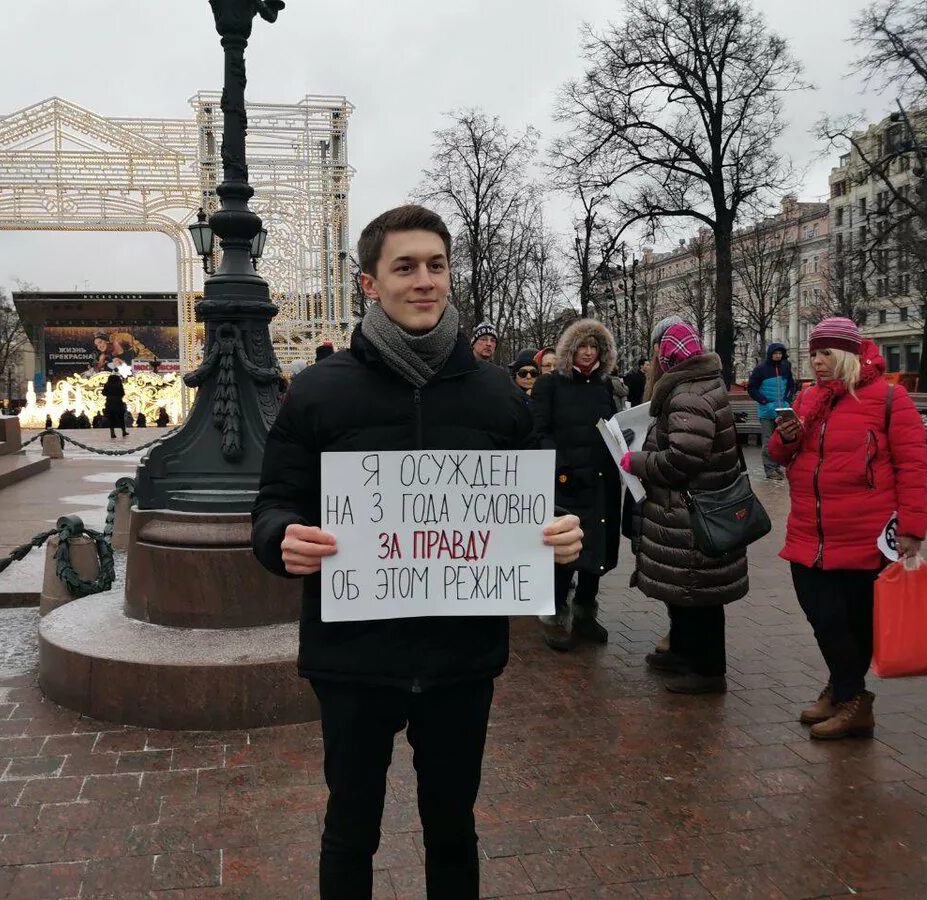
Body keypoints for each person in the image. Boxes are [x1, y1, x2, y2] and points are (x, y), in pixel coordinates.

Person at [251, 204, 583, 899]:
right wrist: (282, 537)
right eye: (405, 267)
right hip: (354, 660)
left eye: (436, 265)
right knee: (351, 829)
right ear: (370, 283)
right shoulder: (317, 392)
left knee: (453, 828)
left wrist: (561, 541)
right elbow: (273, 503)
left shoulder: (499, 396)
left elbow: (532, 514)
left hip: (461, 659)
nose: (424, 280)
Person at [768, 318, 927, 740]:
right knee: (821, 613)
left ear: (847, 356)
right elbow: (778, 455)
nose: (817, 362)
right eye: (814, 353)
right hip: (808, 530)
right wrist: (787, 438)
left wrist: (912, 529)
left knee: (851, 620)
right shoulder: (807, 399)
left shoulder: (889, 399)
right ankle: (844, 690)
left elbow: (913, 467)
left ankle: (853, 700)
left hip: (864, 534)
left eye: (826, 354)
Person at [623, 319, 748, 694]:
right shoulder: (697, 385)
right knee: (686, 590)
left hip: (693, 512)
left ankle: (708, 671)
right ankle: (682, 652)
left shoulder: (688, 393)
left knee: (699, 595)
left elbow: (682, 461)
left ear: (668, 356)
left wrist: (636, 462)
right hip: (688, 511)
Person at [531, 320, 625, 651]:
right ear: (571, 349)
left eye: (595, 347)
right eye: (582, 346)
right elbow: (539, 431)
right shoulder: (551, 385)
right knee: (563, 552)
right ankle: (555, 615)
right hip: (568, 482)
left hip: (603, 479)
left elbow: (614, 429)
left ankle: (586, 611)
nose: (588, 352)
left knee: (597, 547)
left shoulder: (605, 387)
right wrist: (559, 469)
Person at [747, 342, 796, 481]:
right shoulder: (760, 369)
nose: (778, 356)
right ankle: (770, 469)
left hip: (783, 410)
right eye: (775, 353)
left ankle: (777, 467)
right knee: (768, 440)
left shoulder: (786, 367)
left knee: (781, 440)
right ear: (770, 354)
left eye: (780, 354)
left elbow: (791, 385)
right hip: (767, 411)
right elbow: (752, 388)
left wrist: (787, 399)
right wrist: (764, 401)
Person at [103, 372, 128, 439]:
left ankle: (112, 433)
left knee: (111, 419)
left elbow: (103, 393)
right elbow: (122, 393)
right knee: (121, 418)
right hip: (118, 402)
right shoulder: (119, 384)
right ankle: (123, 431)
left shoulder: (107, 385)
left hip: (109, 403)